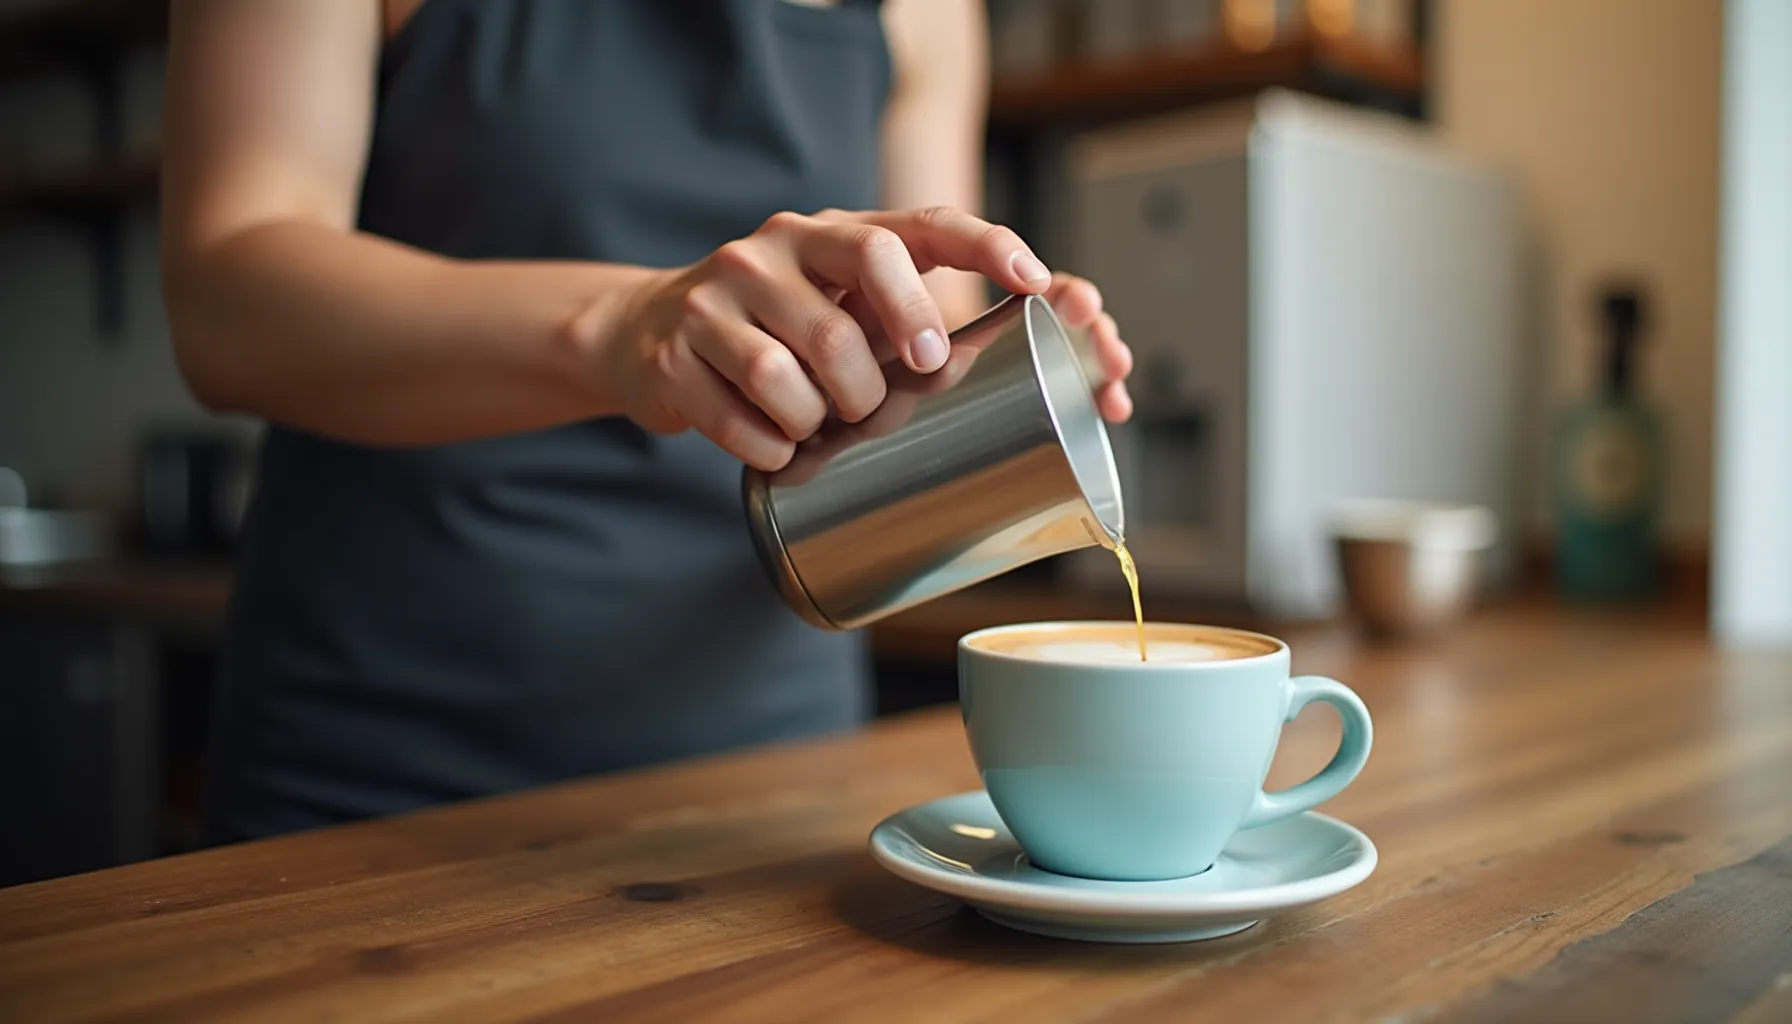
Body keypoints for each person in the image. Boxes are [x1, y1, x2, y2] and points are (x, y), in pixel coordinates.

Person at [161, 0, 1135, 843]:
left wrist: (1008, 377)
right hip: (380, 768)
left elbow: (928, 330)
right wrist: (622, 326)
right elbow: (222, 303)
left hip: (770, 793)